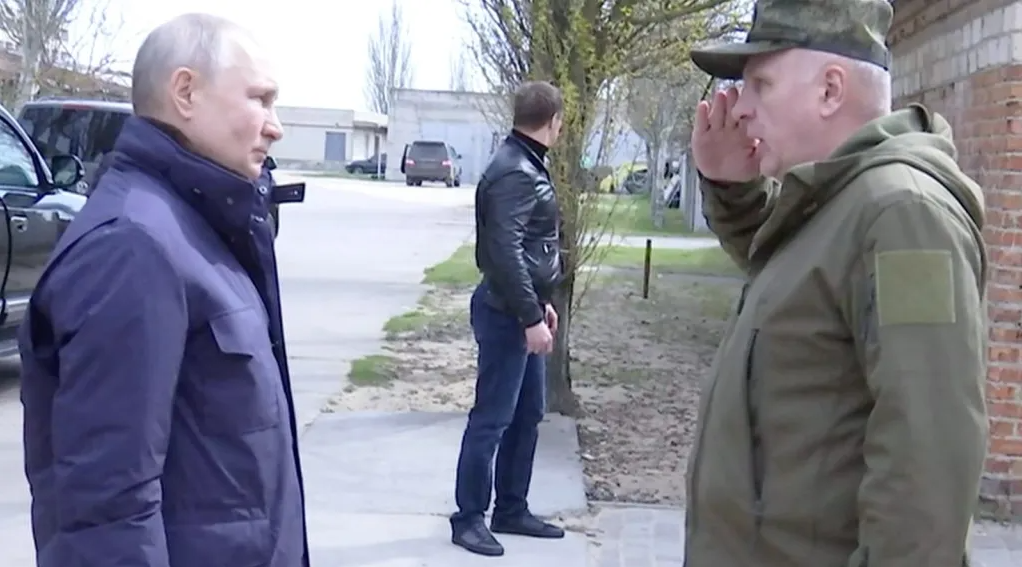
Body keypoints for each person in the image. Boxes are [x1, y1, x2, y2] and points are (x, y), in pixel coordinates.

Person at [683, 1, 987, 566]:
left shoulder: (905, 215)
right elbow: (798, 291)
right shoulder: (837, 202)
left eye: (761, 84)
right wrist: (731, 186)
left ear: (829, 90)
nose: (740, 107)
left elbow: (928, 459)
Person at [18, 13, 308, 567]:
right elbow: (108, 509)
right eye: (260, 99)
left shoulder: (197, 227)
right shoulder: (132, 247)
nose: (275, 126)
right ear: (185, 92)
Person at [450, 80, 566, 557]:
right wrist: (529, 316)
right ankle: (468, 518)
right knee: (492, 419)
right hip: (506, 313)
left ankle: (511, 508)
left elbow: (528, 247)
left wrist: (541, 304)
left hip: (522, 308)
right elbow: (505, 251)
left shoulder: (524, 162)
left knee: (527, 414)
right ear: (554, 121)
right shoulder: (516, 171)